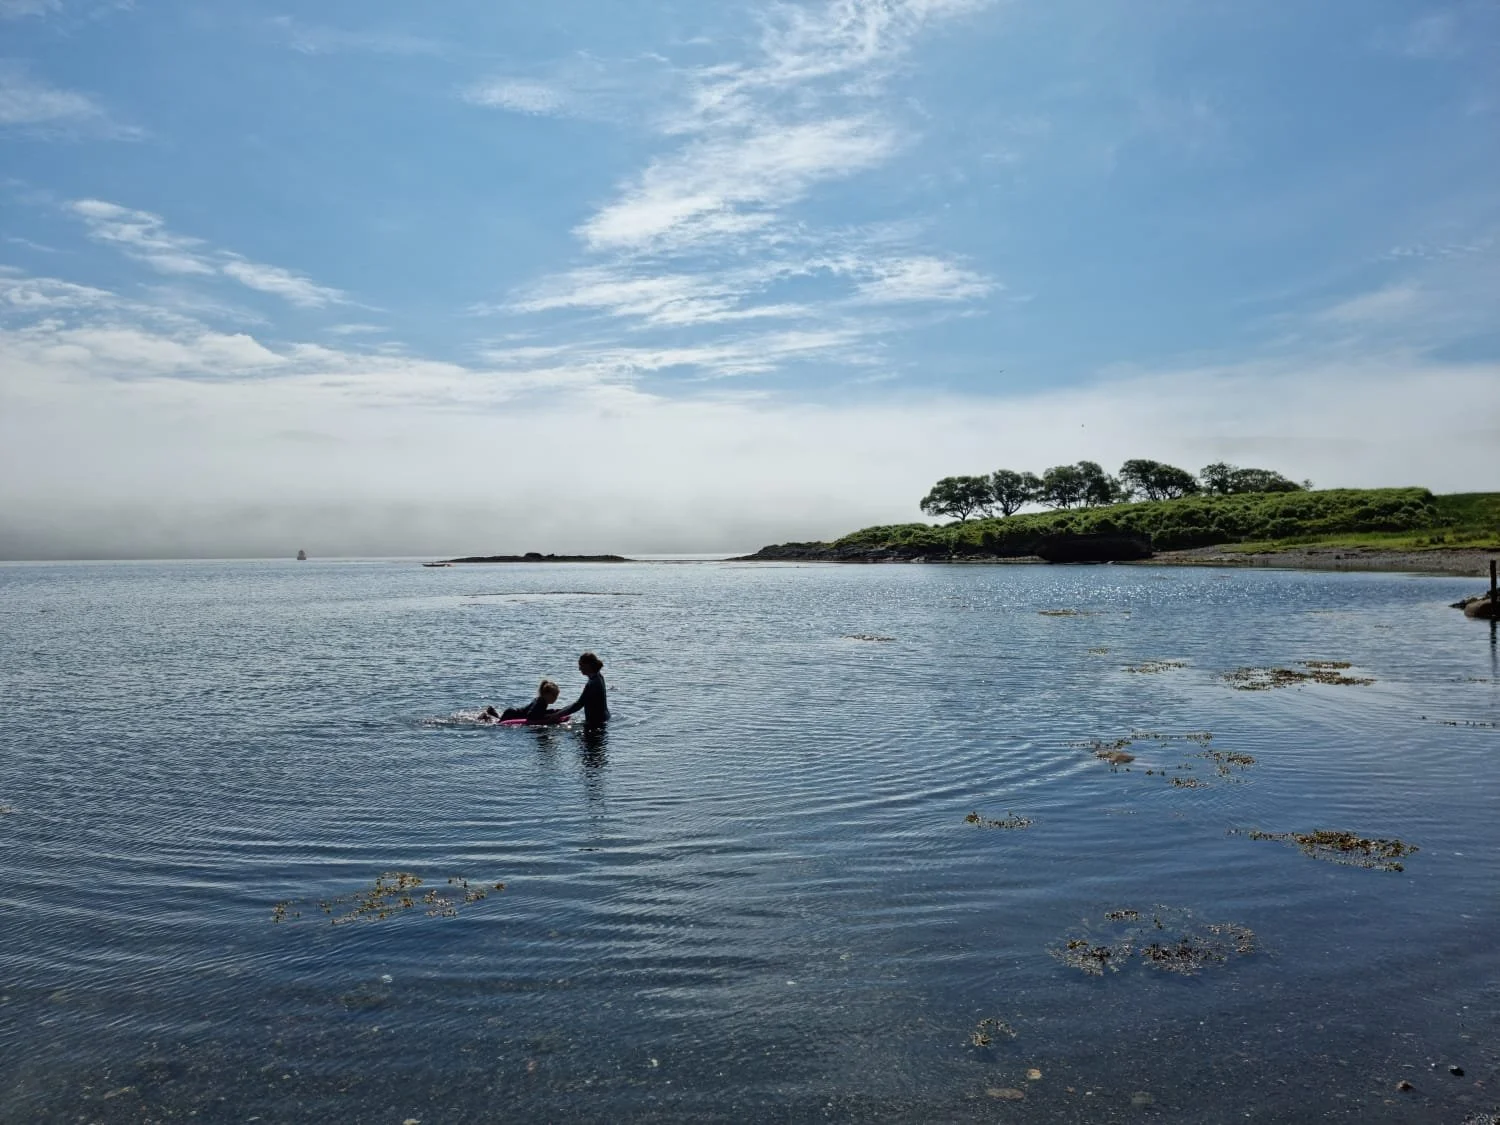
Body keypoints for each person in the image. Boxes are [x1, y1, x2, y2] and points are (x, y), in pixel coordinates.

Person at [556, 652, 609, 727]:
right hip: (604, 719)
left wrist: (556, 715)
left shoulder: (592, 684)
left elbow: (578, 705)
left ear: (588, 666)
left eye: (581, 665)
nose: (579, 668)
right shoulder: (599, 677)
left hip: (596, 723)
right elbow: (578, 703)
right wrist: (560, 711)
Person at [483, 679, 565, 725]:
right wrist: (548, 716)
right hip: (512, 715)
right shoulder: (541, 702)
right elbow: (531, 715)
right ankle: (487, 715)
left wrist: (554, 712)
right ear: (546, 694)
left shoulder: (542, 701)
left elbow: (538, 712)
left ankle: (490, 712)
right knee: (497, 724)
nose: (556, 698)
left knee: (498, 721)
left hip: (511, 712)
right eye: (554, 695)